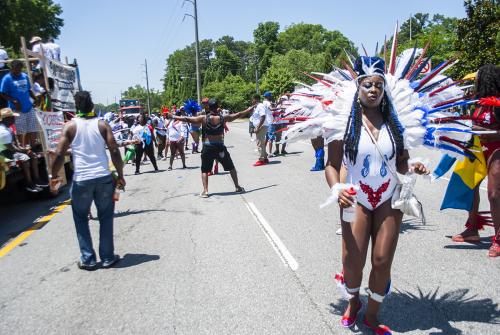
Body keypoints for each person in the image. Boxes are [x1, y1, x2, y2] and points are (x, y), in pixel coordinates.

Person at [325, 57, 429, 333]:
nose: (373, 89)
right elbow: (332, 165)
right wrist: (337, 189)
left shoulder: (395, 123)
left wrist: (413, 165)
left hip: (388, 197)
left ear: (385, 90)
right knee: (352, 262)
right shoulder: (343, 122)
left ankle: (372, 314)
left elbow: (401, 162)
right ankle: (353, 302)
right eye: (368, 84)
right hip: (355, 196)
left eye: (379, 86)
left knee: (382, 260)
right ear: (357, 87)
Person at [50, 91, 124, 270]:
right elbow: (114, 151)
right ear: (92, 106)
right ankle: (107, 257)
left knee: (81, 218)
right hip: (104, 179)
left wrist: (53, 176)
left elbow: (59, 154)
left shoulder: (70, 126)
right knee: (106, 217)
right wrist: (120, 174)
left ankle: (88, 259)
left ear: (76, 107)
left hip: (82, 180)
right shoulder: (102, 124)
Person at [451, 64, 500, 257]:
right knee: (469, 187)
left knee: (494, 194)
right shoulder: (478, 102)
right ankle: (473, 228)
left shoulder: (498, 104)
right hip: (478, 149)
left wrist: (489, 132)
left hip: (496, 149)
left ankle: (498, 238)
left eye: (478, 78)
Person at [167, 98, 253, 197]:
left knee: (205, 170)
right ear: (217, 107)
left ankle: (205, 191)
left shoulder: (203, 118)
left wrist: (173, 116)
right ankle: (237, 187)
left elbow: (187, 119)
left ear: (209, 107)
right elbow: (238, 114)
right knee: (231, 167)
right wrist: (248, 109)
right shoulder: (223, 118)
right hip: (219, 146)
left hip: (208, 147)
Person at [0, 108, 46, 192]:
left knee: (33, 156)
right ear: (7, 119)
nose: (14, 119)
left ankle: (36, 179)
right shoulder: (3, 131)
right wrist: (25, 151)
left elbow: (16, 144)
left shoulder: (8, 128)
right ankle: (29, 183)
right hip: (4, 153)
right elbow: (12, 148)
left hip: (11, 150)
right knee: (25, 158)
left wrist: (25, 149)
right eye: (12, 117)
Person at [0, 60, 38, 147]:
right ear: (12, 68)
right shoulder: (7, 78)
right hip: (17, 109)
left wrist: (35, 98)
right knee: (21, 131)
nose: (18, 72)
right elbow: (2, 93)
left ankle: (32, 147)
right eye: (16, 70)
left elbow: (29, 90)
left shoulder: (25, 76)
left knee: (32, 129)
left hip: (29, 107)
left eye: (19, 70)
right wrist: (13, 100)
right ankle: (23, 148)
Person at [250, 94, 271, 166]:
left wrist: (258, 127)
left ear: (256, 99)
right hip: (261, 126)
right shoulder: (257, 107)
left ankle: (261, 160)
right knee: (261, 143)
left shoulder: (260, 106)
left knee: (259, 143)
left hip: (261, 127)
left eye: (252, 99)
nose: (252, 101)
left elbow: (263, 116)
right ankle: (265, 158)